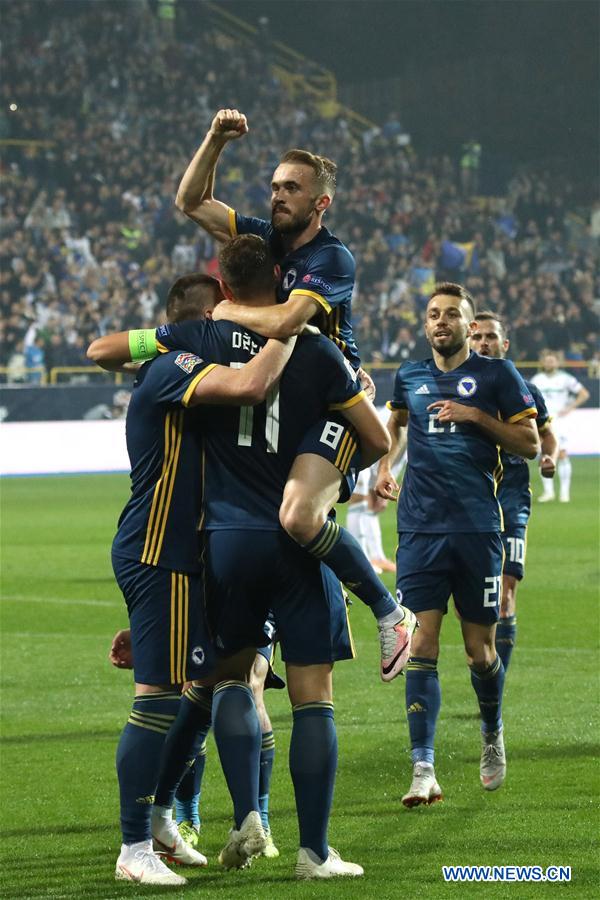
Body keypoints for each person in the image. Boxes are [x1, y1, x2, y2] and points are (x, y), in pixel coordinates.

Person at [148, 235, 403, 878]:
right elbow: (376, 439)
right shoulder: (316, 350)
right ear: (284, 280)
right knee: (313, 699)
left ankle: (246, 817)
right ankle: (313, 853)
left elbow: (115, 356)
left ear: (225, 286)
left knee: (231, 680)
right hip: (299, 547)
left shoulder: (197, 340)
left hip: (226, 541)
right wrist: (329, 466)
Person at [173, 108, 411, 673]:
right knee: (268, 522)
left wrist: (225, 310)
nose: (278, 196)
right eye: (276, 186)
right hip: (284, 402)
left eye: (292, 189)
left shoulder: (331, 257)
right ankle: (277, 626)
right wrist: (214, 139)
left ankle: (390, 613)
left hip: (335, 403)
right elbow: (191, 202)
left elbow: (287, 322)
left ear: (320, 202)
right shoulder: (263, 236)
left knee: (300, 516)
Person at [102, 272, 295, 886]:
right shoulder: (175, 364)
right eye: (230, 314)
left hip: (182, 555)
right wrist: (291, 329)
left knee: (203, 685)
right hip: (158, 549)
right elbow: (253, 383)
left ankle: (161, 820)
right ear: (211, 318)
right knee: (156, 701)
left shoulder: (182, 370)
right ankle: (133, 849)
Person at [375, 282, 540, 807]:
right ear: (425, 324)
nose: (440, 321)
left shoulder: (498, 375)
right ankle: (423, 768)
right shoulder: (409, 375)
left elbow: (530, 443)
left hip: (477, 531)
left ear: (470, 326)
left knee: (479, 652)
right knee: (420, 646)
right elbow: (397, 423)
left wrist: (476, 417)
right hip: (419, 531)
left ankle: (491, 732)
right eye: (433, 314)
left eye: (451, 314)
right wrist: (385, 466)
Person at [470, 312, 558, 672]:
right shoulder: (460, 389)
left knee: (506, 591)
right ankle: (485, 666)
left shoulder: (527, 390)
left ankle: (498, 685)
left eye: (491, 337)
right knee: (471, 602)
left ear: (504, 344)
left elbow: (546, 436)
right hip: (471, 501)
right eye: (477, 337)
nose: (484, 343)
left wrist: (549, 456)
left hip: (512, 499)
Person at [530, 350, 589, 503]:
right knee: (544, 455)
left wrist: (569, 408)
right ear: (543, 363)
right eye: (547, 360)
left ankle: (564, 493)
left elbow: (584, 393)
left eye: (552, 361)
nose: (549, 363)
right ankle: (548, 492)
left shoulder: (565, 379)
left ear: (557, 363)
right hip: (542, 421)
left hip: (559, 421)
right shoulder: (537, 379)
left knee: (562, 454)